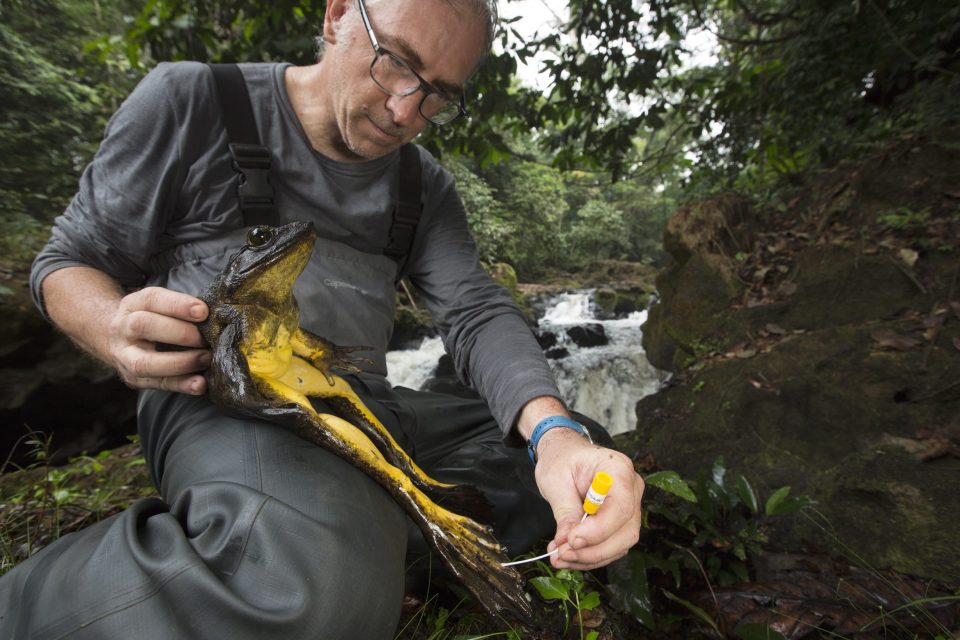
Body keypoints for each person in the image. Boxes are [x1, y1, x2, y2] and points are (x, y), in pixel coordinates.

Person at [0, 0, 644, 637]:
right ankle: (34, 604)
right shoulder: (191, 98)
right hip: (230, 400)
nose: (404, 111)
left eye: (437, 96)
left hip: (361, 405)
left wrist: (555, 436)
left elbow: (475, 312)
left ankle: (353, 534)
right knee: (308, 591)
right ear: (337, 15)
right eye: (395, 63)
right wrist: (111, 325)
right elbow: (70, 259)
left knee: (575, 465)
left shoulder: (424, 187)